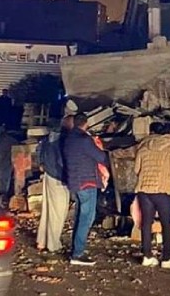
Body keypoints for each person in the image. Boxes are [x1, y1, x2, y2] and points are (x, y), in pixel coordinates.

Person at [134, 124, 170, 269]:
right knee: (167, 225)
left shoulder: (142, 147)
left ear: (151, 132)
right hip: (164, 191)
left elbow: (136, 169)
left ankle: (147, 256)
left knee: (146, 223)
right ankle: (166, 258)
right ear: (167, 133)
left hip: (144, 190)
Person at [62, 113, 108, 266]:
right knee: (87, 217)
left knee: (81, 215)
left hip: (75, 181)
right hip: (87, 181)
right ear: (86, 124)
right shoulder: (84, 140)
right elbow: (101, 157)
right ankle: (77, 253)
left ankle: (76, 249)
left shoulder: (68, 139)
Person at [36, 116, 72, 254]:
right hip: (58, 177)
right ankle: (53, 244)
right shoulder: (62, 140)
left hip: (48, 175)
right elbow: (62, 161)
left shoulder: (46, 139)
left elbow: (39, 152)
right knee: (58, 212)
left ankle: (42, 241)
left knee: (47, 209)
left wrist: (42, 164)